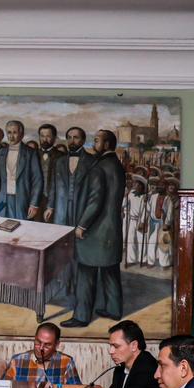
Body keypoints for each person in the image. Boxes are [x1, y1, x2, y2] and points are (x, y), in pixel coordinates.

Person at [65, 128, 126, 328]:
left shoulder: (99, 167)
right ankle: (114, 310)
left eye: (97, 140)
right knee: (110, 271)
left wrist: (82, 225)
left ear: (107, 144)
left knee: (85, 273)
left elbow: (95, 201)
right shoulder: (117, 165)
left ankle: (82, 316)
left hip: (95, 232)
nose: (93, 144)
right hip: (112, 231)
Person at [1, 322, 81, 385]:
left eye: (47, 345)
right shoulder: (17, 361)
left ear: (56, 345)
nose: (41, 348)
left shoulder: (66, 362)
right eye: (38, 342)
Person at [0, 120, 43, 220]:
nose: (11, 136)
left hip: (22, 200)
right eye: (9, 132)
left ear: (21, 134)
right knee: (0, 224)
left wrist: (34, 204)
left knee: (22, 226)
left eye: (15, 132)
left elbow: (37, 180)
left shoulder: (31, 153)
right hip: (2, 199)